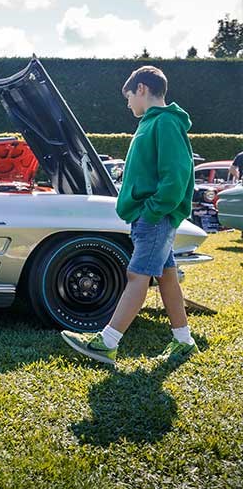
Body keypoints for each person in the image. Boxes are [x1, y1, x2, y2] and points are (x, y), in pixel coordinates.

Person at [61, 66, 197, 366]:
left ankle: (107, 343)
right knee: (167, 277)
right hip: (151, 215)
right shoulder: (153, 123)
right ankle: (184, 342)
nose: (128, 104)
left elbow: (176, 175)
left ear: (142, 89)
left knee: (137, 275)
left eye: (128, 97)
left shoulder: (164, 123)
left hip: (155, 217)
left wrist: (152, 210)